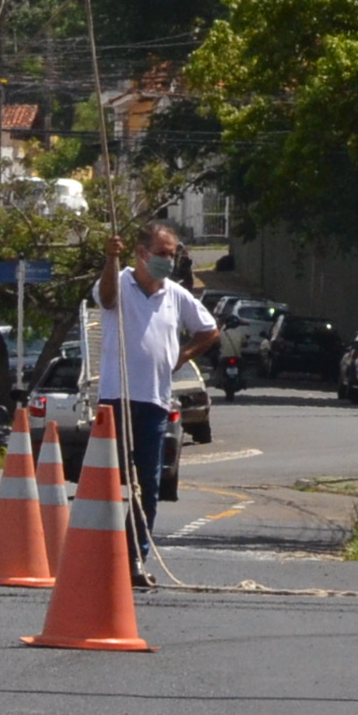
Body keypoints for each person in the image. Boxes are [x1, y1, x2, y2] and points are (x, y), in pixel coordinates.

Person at [88, 224, 222, 589]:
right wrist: (110, 258)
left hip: (154, 402)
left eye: (172, 253)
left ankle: (136, 557)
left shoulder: (176, 295)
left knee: (147, 484)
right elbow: (107, 298)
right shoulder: (120, 282)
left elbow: (209, 329)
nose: (168, 260)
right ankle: (98, 554)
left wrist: (183, 356)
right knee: (108, 483)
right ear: (141, 252)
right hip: (116, 400)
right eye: (162, 253)